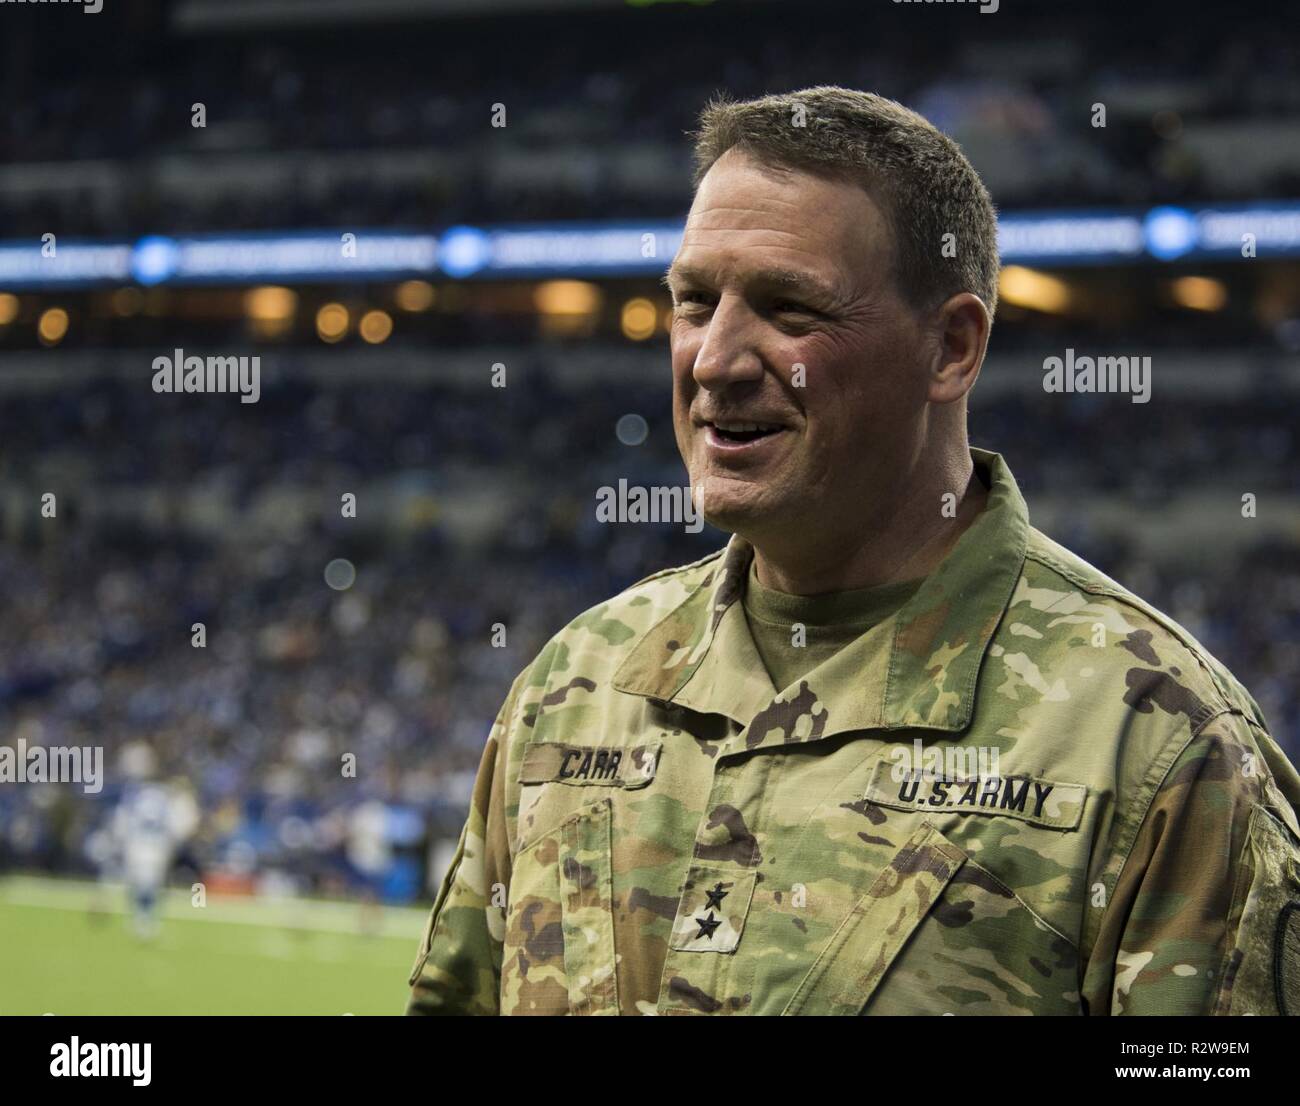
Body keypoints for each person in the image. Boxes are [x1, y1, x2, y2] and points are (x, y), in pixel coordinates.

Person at [407, 86, 1300, 1015]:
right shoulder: (574, 689)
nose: (713, 359)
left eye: (790, 309)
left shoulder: (1153, 742)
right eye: (692, 302)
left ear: (951, 348)